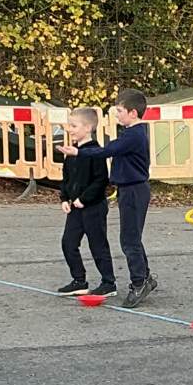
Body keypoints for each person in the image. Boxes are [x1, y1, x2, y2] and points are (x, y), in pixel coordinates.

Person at [63, 87, 155, 307]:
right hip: (128, 189)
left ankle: (139, 282)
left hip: (134, 190)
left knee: (129, 240)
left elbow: (107, 150)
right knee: (131, 237)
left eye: (120, 111)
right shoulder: (131, 132)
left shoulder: (134, 135)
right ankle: (145, 276)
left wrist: (79, 152)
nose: (117, 115)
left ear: (133, 113)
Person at [41, 107, 118, 296]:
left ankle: (109, 283)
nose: (70, 129)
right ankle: (79, 280)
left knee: (97, 245)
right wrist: (64, 198)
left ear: (88, 127)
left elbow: (101, 180)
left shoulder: (95, 152)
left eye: (74, 126)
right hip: (75, 208)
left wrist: (84, 199)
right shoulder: (71, 152)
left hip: (94, 207)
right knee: (68, 243)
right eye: (69, 125)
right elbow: (67, 178)